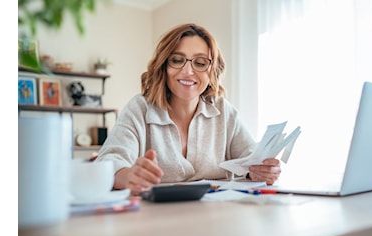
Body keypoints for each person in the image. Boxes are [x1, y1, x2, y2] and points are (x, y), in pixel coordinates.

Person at [95, 23, 281, 195]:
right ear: (164, 66)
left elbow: (251, 161)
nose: (188, 71)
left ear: (212, 71)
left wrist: (261, 172)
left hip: (216, 219)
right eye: (177, 60)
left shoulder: (224, 111)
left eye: (200, 63)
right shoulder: (139, 108)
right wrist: (128, 176)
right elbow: (109, 161)